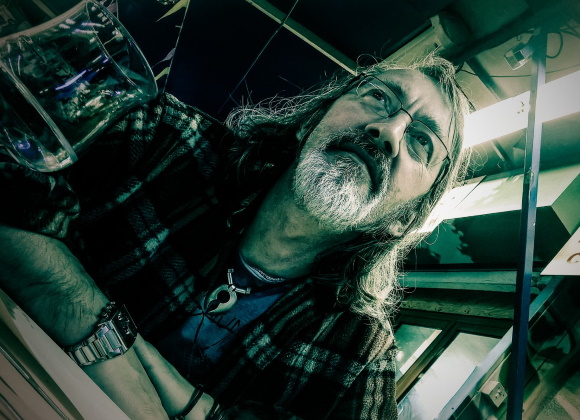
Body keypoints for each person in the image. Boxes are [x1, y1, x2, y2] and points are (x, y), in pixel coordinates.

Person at [0, 53, 471, 419]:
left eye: (421, 142)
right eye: (379, 97)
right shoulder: (167, 138)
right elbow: (10, 162)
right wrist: (116, 354)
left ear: (404, 219)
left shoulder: (359, 356)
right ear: (313, 120)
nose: (389, 131)